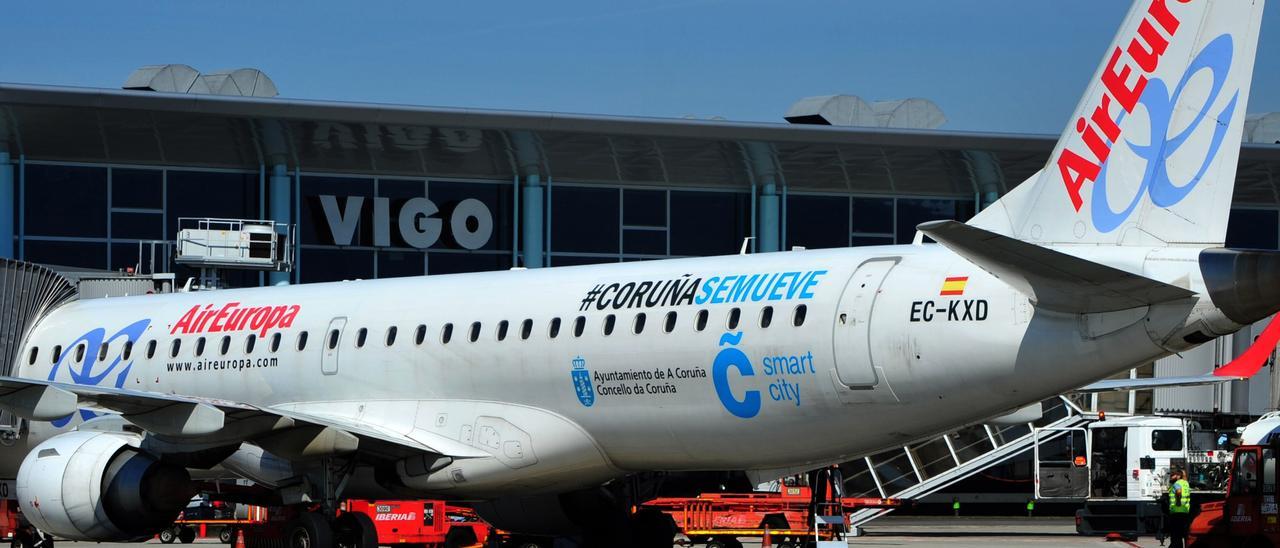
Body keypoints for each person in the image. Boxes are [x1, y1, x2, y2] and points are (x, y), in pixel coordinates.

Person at [1166, 468, 1192, 548]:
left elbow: (1179, 491)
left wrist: (1178, 500)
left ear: (1178, 476)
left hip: (1176, 512)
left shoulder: (1177, 484)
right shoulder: (1186, 483)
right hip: (1185, 511)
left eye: (1172, 475)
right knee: (1183, 534)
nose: (1171, 477)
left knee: (1176, 535)